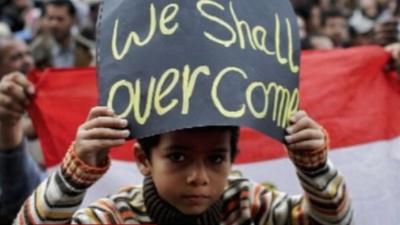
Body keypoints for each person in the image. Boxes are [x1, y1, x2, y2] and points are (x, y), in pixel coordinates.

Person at [14, 106, 353, 224]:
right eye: (178, 157)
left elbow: (333, 222)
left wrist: (314, 168)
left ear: (233, 159)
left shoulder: (249, 204)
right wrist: (74, 176)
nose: (198, 178)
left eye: (216, 159)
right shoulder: (112, 217)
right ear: (143, 161)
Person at [0, 36, 44, 224]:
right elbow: (18, 201)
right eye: (15, 57)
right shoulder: (5, 115)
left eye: (28, 53)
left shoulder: (41, 94)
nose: (26, 60)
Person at [29, 0, 94, 69]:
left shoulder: (89, 51)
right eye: (50, 18)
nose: (54, 24)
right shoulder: (35, 51)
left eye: (60, 19)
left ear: (73, 20)